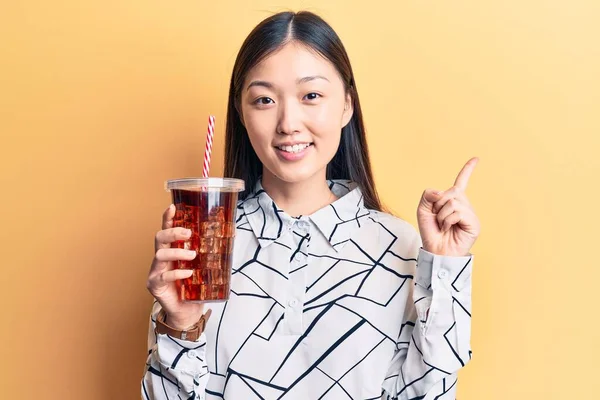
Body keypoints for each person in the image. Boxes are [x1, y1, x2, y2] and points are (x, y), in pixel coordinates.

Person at [142, 10, 480, 400]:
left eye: (311, 96)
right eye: (264, 99)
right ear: (242, 113)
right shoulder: (206, 248)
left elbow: (430, 392)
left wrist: (444, 269)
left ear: (347, 106)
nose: (288, 122)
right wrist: (180, 323)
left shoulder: (401, 245)